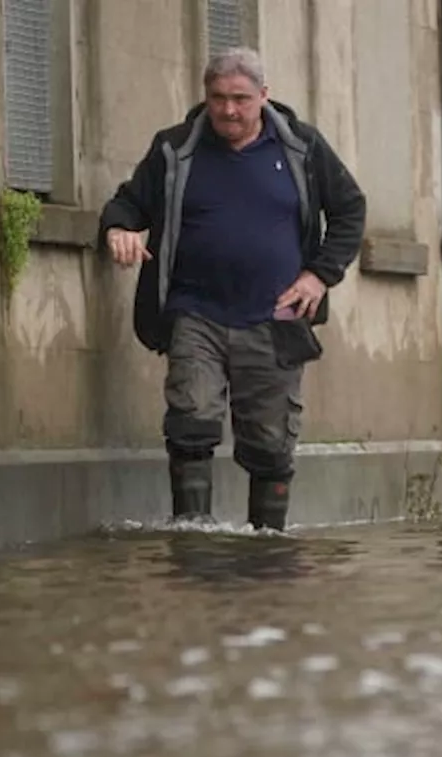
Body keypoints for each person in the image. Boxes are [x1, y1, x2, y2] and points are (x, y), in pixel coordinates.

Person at [98, 47, 366, 531]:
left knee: (269, 443)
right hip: (194, 311)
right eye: (218, 98)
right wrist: (118, 228)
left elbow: (349, 210)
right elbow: (129, 202)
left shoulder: (302, 149)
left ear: (264, 96)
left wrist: (320, 275)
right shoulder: (174, 148)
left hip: (277, 316)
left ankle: (266, 544)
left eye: (240, 99)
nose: (228, 110)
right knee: (191, 418)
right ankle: (192, 533)